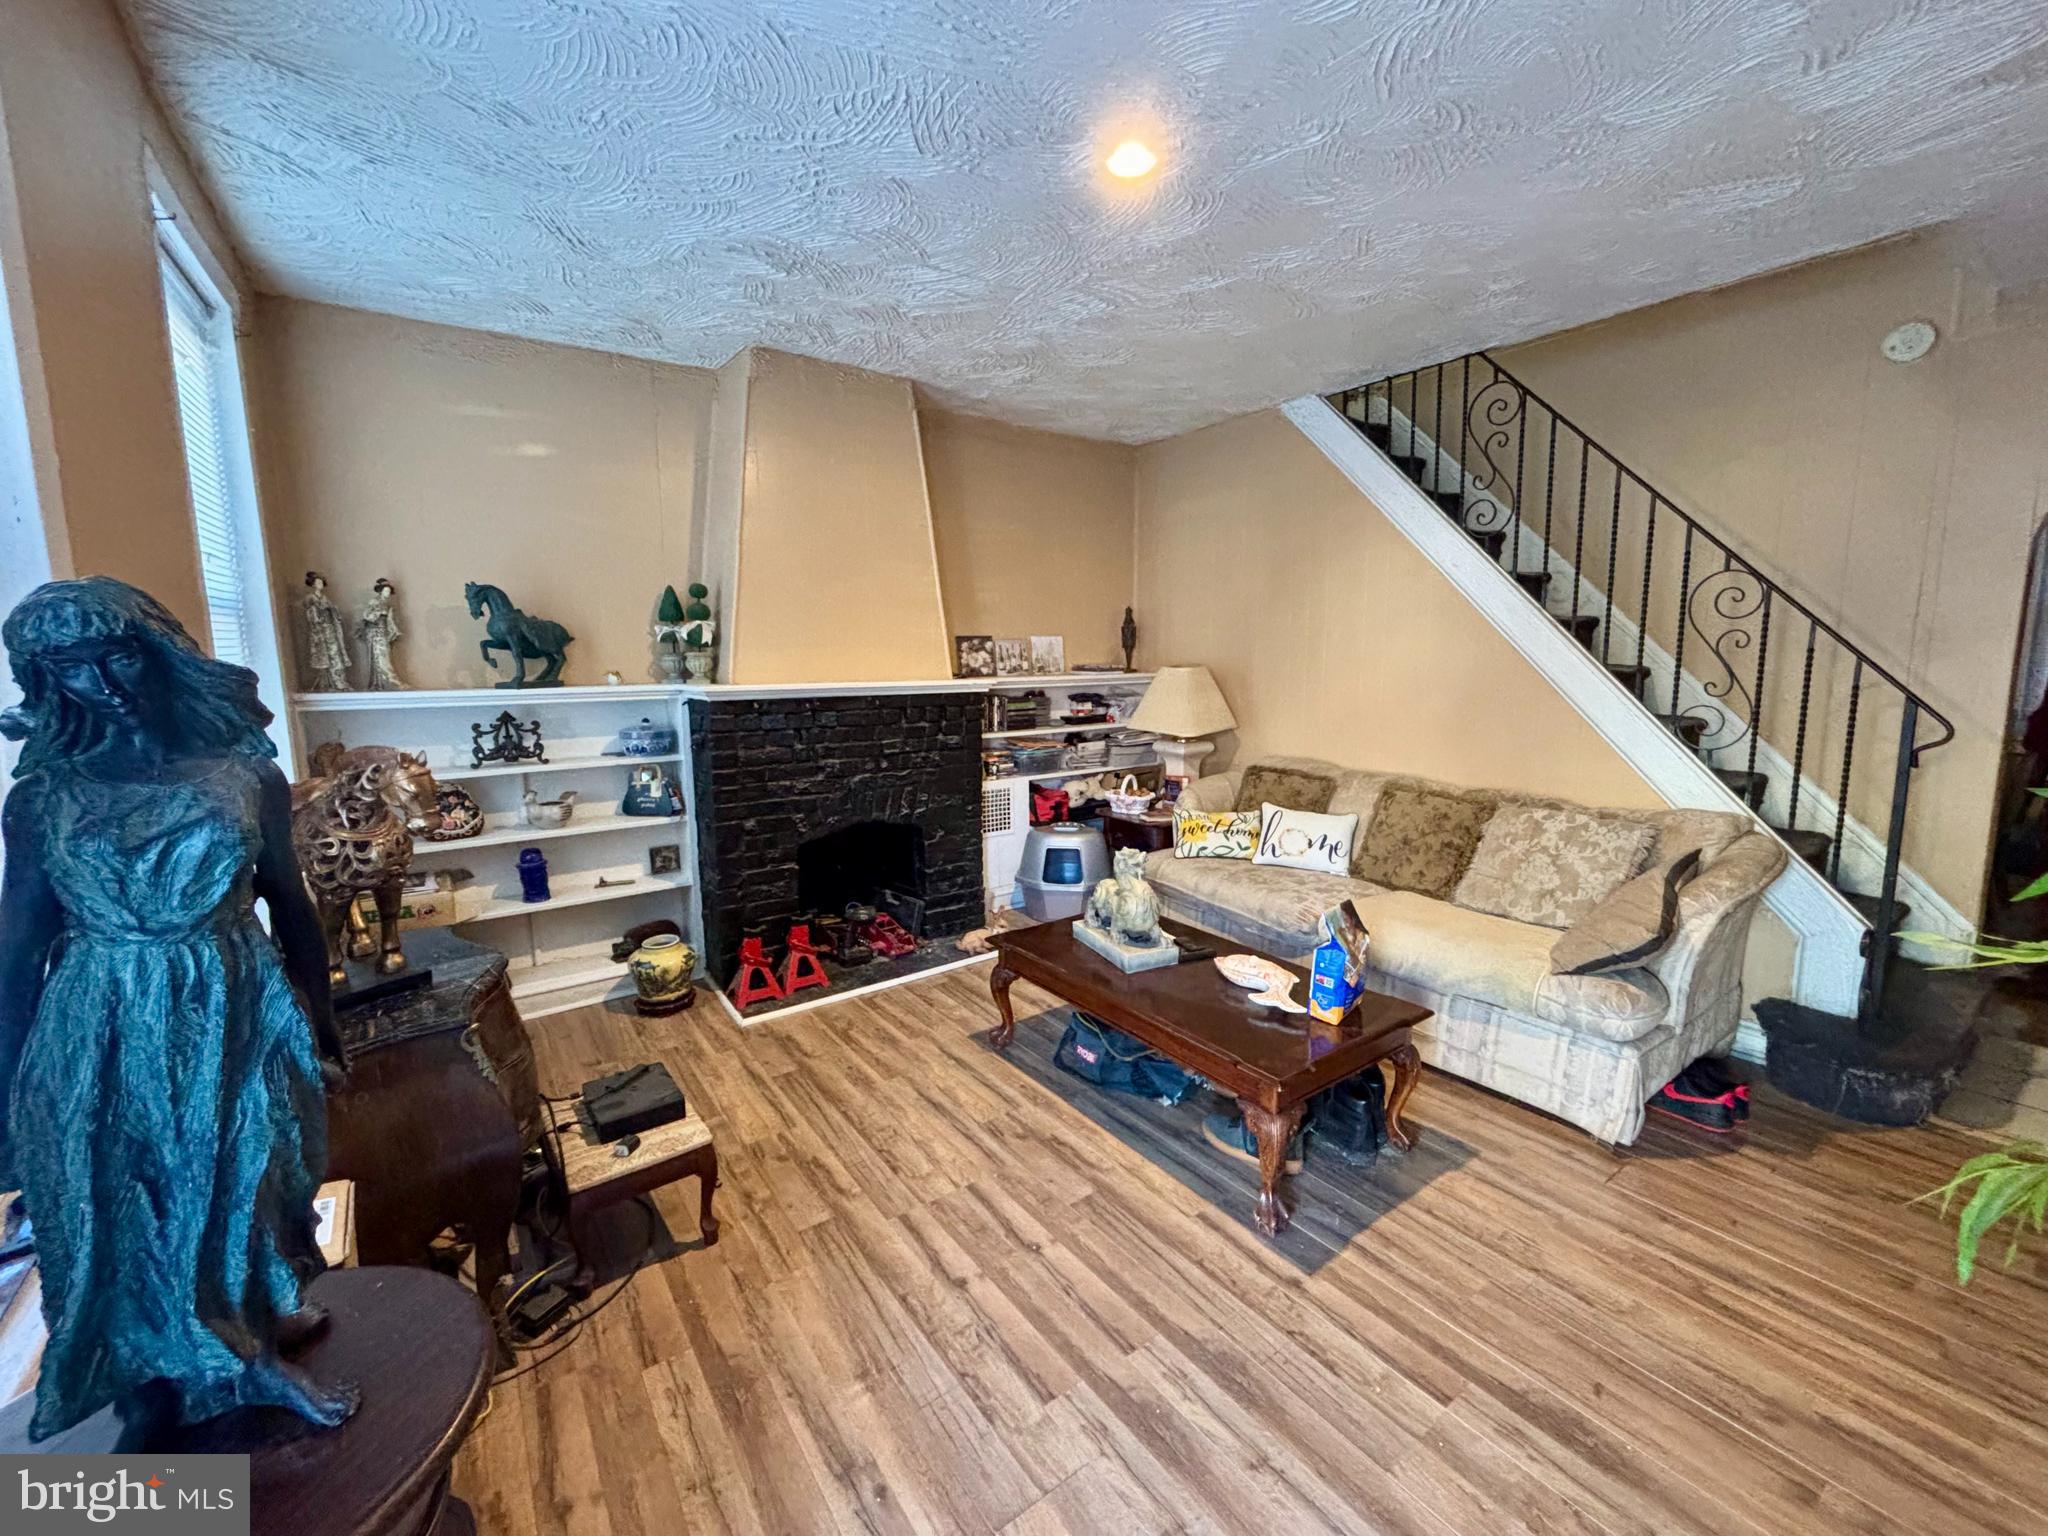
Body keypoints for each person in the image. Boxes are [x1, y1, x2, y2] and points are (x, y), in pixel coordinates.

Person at [0, 577, 355, 1445]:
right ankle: (177, 1371)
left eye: (120, 655)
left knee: (250, 1175)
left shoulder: (243, 778)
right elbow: (16, 952)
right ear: (47, 684)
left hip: (234, 1008)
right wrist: (6, 1097)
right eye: (73, 669)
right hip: (102, 1030)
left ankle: (251, 1331)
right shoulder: (43, 803)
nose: (108, 684)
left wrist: (326, 1028)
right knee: (126, 1202)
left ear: (159, 654)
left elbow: (294, 908)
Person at [356, 576, 407, 691]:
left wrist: (394, 631)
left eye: (389, 591)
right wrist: (378, 613)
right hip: (375, 633)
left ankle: (382, 683)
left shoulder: (388, 605)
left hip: (383, 632)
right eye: (386, 591)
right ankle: (389, 681)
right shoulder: (374, 601)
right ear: (381, 591)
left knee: (384, 655)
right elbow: (366, 615)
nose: (388, 593)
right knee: (381, 657)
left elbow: (390, 620)